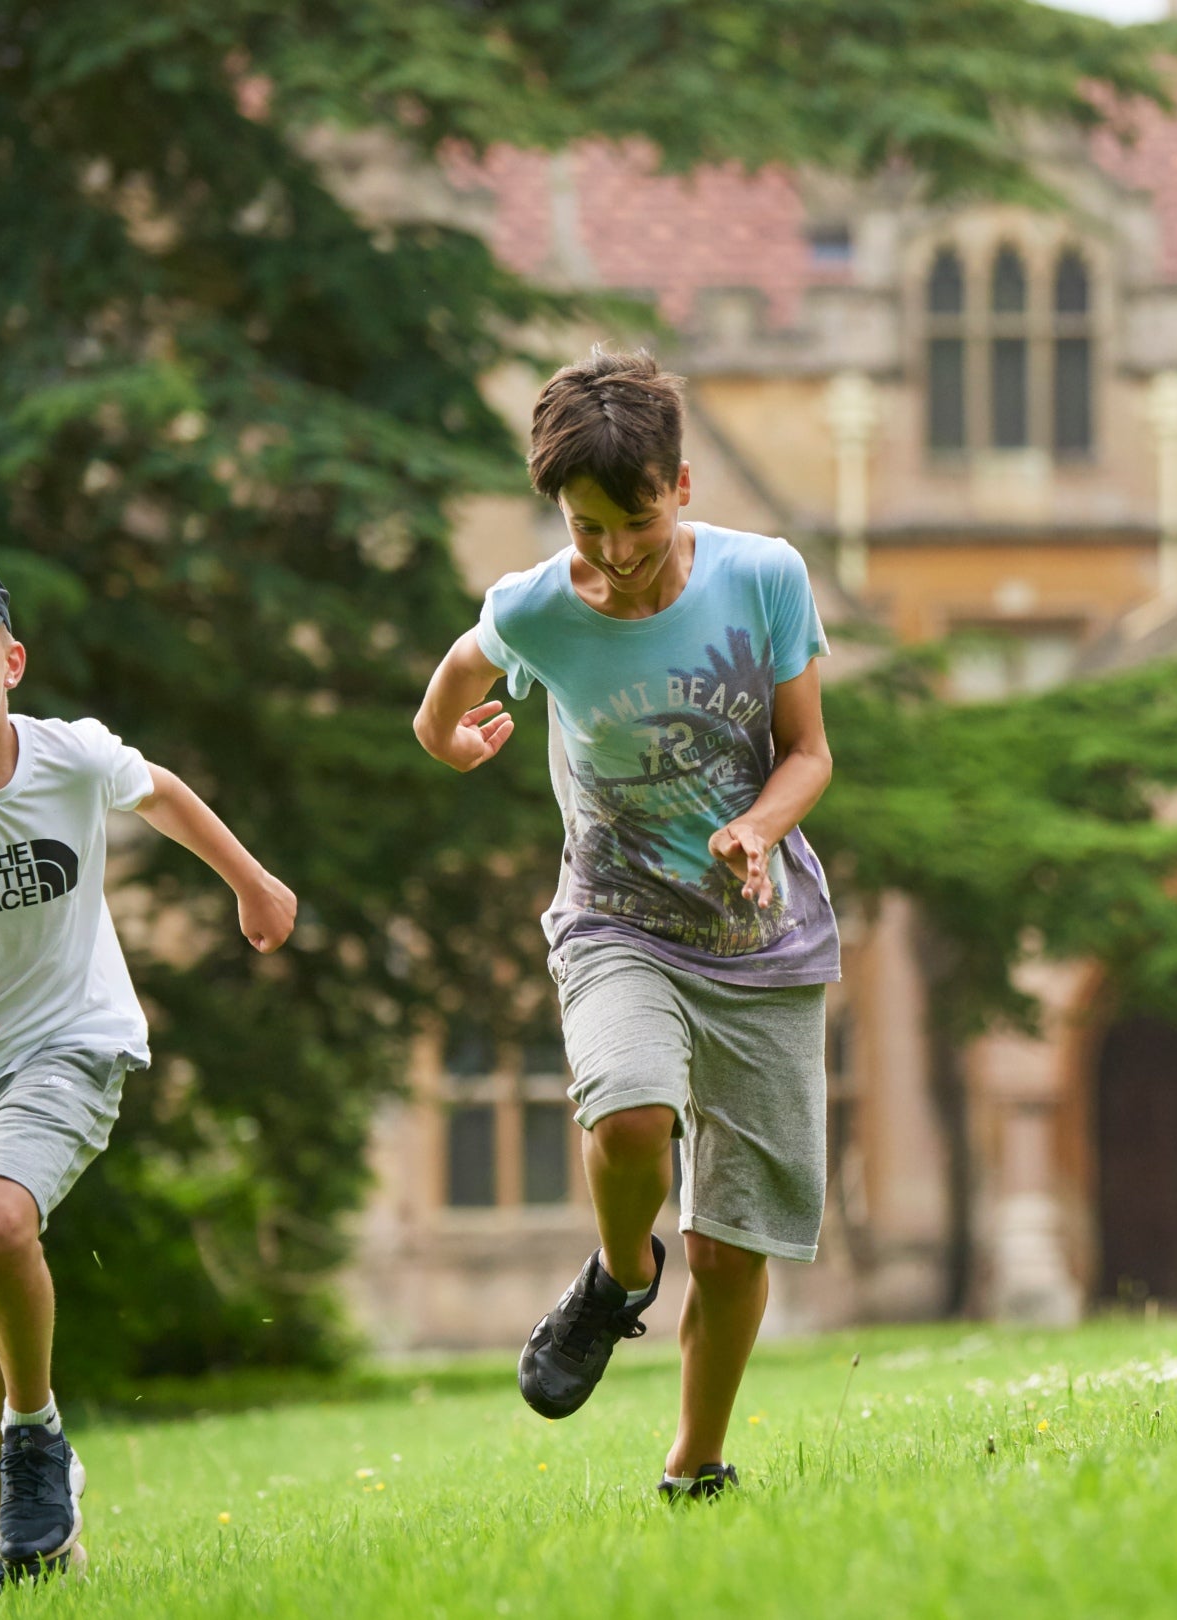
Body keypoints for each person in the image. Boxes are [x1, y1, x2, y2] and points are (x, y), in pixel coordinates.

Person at [0, 555, 298, 1590]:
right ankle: (34, 1549)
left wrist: (252, 884)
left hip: (72, 1041)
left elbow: (159, 792)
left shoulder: (70, 756)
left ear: (11, 660)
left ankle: (36, 1437)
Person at [412, 347, 836, 1501]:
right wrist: (457, 741)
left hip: (764, 937)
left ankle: (697, 1462)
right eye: (587, 527)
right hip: (617, 920)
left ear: (681, 487)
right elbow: (444, 696)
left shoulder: (765, 579)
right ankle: (615, 1273)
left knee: (733, 1245)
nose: (613, 553)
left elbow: (809, 753)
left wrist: (754, 828)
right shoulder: (536, 607)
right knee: (631, 1115)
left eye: (634, 522)